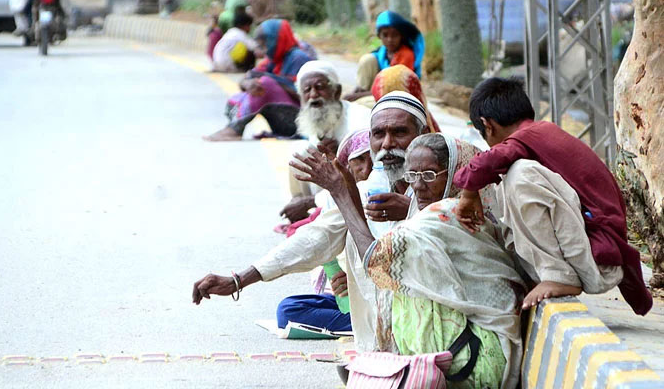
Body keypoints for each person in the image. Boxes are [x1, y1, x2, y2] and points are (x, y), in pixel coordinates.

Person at [192, 91, 430, 353]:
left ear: (423, 134)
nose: (387, 144)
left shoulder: (446, 178)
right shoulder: (373, 187)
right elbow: (317, 237)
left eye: (399, 132)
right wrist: (238, 280)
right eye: (378, 134)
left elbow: (394, 259)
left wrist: (410, 210)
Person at [291, 128, 524, 388]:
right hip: (473, 349)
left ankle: (399, 368)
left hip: (477, 358)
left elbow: (375, 260)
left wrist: (341, 193)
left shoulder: (448, 215)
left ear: (458, 176)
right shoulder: (443, 213)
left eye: (429, 175)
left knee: (400, 280)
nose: (418, 185)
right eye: (412, 175)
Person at [452, 77, 652, 316]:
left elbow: (489, 161)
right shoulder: (538, 134)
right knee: (504, 182)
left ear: (487, 125)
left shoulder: (530, 136)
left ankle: (558, 274)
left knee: (520, 175)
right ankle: (541, 272)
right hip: (591, 248)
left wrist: (468, 192)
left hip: (598, 258)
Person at [276, 130, 372, 333]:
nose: (367, 169)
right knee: (287, 309)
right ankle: (360, 322)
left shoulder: (382, 199)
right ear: (345, 166)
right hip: (351, 295)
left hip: (379, 293)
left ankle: (367, 324)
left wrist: (358, 281)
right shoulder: (334, 198)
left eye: (374, 161)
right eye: (359, 161)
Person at [279, 61, 371, 225]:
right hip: (330, 194)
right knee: (300, 154)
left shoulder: (358, 121)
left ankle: (310, 206)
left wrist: (340, 155)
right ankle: (302, 209)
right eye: (307, 90)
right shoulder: (315, 119)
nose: (313, 95)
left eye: (320, 87)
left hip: (363, 197)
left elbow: (367, 174)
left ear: (336, 92)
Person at [204, 19, 314, 142]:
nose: (265, 50)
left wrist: (273, 81)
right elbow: (248, 76)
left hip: (302, 122)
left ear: (278, 39)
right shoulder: (274, 60)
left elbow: (306, 94)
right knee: (246, 93)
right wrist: (249, 84)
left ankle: (234, 130)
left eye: (266, 45)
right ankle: (233, 127)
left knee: (266, 84)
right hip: (286, 119)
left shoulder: (299, 57)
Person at [345, 11, 425, 101]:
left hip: (400, 97)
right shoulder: (381, 53)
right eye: (385, 35)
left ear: (401, 36)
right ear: (379, 36)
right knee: (367, 59)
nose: (390, 39)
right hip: (379, 92)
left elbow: (396, 88)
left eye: (394, 35)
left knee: (361, 103)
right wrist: (359, 91)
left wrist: (360, 96)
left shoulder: (406, 55)